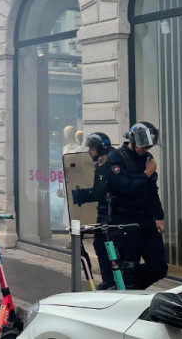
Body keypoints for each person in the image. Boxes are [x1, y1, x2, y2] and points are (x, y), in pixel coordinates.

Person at [103, 122, 168, 289]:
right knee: (129, 268)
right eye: (142, 145)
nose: (144, 149)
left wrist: (159, 216)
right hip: (124, 220)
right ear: (132, 140)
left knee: (159, 267)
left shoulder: (147, 158)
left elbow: (152, 190)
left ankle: (123, 289)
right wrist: (147, 173)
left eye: (147, 146)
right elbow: (126, 188)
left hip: (146, 219)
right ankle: (123, 290)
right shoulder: (116, 158)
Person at [71, 132, 116, 289]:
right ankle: (108, 280)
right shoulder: (101, 163)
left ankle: (114, 281)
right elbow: (99, 191)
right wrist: (81, 194)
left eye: (92, 149)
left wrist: (84, 195)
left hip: (112, 214)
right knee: (100, 245)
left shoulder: (112, 162)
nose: (89, 152)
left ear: (101, 148)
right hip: (104, 212)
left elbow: (105, 190)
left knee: (109, 247)